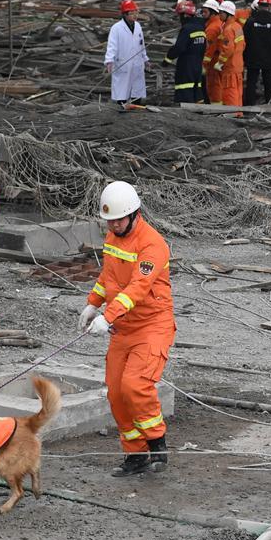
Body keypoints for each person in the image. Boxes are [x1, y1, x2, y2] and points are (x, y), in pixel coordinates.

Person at [78, 181, 175, 477]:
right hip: (124, 326)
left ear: (134, 214)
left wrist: (108, 316)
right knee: (117, 392)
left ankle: (157, 443)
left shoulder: (152, 245)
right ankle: (135, 455)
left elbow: (138, 288)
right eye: (110, 221)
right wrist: (93, 303)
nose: (114, 225)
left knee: (136, 385)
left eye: (119, 220)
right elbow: (109, 276)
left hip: (151, 326)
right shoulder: (113, 238)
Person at [105, 0, 150, 106]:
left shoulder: (138, 26)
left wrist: (145, 58)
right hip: (123, 62)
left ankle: (136, 106)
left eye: (136, 12)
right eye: (132, 13)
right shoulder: (116, 28)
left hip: (137, 62)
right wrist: (109, 60)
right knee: (122, 89)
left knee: (137, 87)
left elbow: (141, 44)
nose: (135, 15)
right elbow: (112, 46)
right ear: (125, 14)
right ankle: (122, 107)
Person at [243, 0, 271, 105]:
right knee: (268, 83)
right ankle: (268, 104)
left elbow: (244, 40)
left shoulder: (250, 21)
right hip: (268, 58)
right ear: (270, 6)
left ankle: (249, 105)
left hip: (252, 57)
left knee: (251, 82)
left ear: (259, 5)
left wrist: (244, 57)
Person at [164, 0, 206, 104]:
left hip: (186, 66)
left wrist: (167, 59)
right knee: (197, 91)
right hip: (198, 65)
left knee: (184, 90)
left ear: (185, 15)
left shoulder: (187, 29)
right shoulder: (201, 27)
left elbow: (179, 47)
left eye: (180, 16)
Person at [214, 0, 245, 107]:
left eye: (221, 13)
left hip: (230, 66)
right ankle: (238, 112)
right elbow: (243, 45)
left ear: (227, 14)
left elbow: (228, 48)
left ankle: (231, 113)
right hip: (238, 64)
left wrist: (220, 62)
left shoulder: (228, 29)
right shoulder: (237, 26)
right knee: (238, 91)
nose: (219, 15)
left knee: (229, 91)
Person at [200, 0, 224, 104]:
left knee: (213, 85)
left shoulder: (212, 28)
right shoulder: (218, 23)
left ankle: (215, 106)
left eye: (205, 12)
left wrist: (204, 65)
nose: (203, 14)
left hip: (212, 61)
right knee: (217, 84)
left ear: (212, 12)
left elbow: (209, 48)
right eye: (203, 11)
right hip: (217, 59)